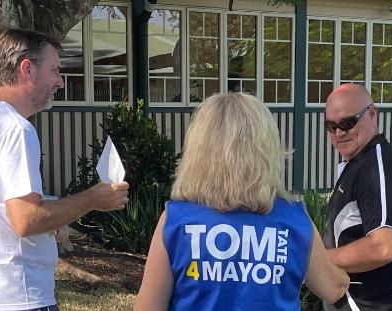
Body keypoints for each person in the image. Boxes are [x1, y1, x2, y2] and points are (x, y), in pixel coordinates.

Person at [0, 28, 129, 311]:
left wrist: (51, 213)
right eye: (54, 70)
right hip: (16, 295)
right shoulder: (15, 129)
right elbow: (26, 220)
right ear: (27, 69)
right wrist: (93, 199)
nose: (60, 81)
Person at [135, 93, 349, 311]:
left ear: (198, 152)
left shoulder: (176, 221)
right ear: (266, 149)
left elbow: (148, 306)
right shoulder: (293, 220)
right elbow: (334, 287)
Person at [323, 83, 392, 311]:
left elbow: (383, 247)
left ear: (372, 113)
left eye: (348, 122)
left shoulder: (377, 168)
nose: (339, 132)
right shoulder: (361, 162)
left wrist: (318, 261)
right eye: (332, 125)